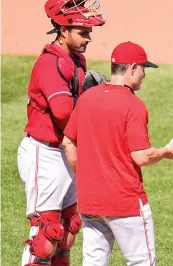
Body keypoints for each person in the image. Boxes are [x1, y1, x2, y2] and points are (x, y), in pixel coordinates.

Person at [62, 41, 173, 266]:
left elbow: (68, 143)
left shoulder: (86, 99)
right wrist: (167, 151)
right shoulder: (133, 105)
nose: (144, 75)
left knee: (93, 262)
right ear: (132, 68)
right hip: (125, 203)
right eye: (142, 69)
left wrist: (85, 175)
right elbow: (141, 156)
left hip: (91, 200)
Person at [17, 0, 105, 265]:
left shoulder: (75, 59)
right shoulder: (50, 64)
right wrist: (94, 101)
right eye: (83, 31)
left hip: (65, 152)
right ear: (63, 30)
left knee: (67, 231)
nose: (89, 37)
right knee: (46, 234)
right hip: (44, 155)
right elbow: (64, 113)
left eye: (89, 31)